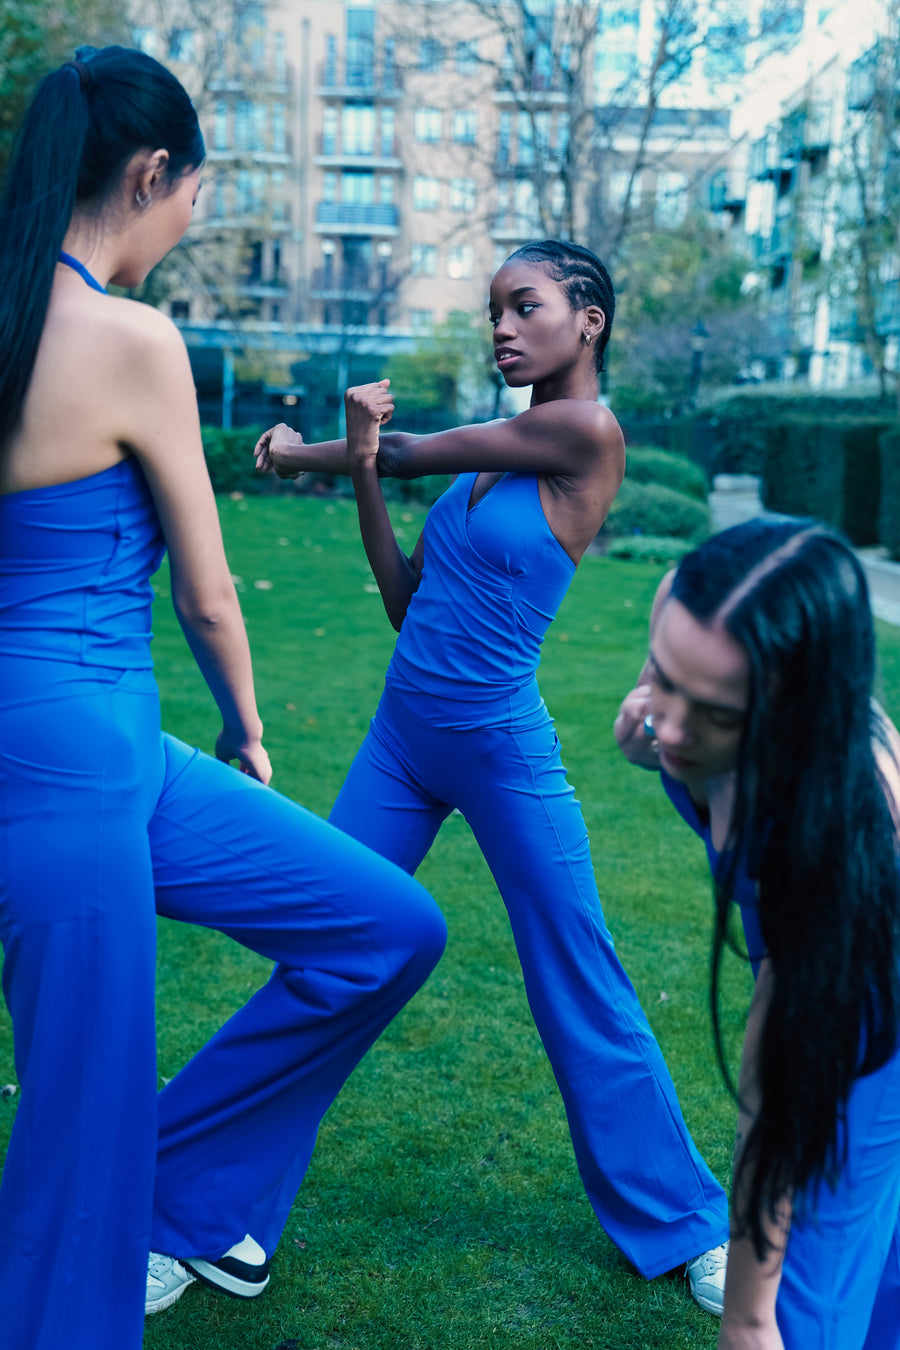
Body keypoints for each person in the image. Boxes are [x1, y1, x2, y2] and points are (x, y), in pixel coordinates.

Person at [0, 45, 447, 1350]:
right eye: (195, 189)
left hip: (111, 756)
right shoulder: (134, 340)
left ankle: (182, 1192)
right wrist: (249, 729)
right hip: (71, 771)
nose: (194, 215)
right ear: (150, 173)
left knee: (386, 926)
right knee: (78, 1147)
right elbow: (208, 593)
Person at [254, 240, 731, 1312]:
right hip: (400, 737)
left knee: (578, 974)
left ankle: (690, 1223)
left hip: (498, 744)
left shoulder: (581, 431)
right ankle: (218, 1215)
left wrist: (295, 455)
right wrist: (363, 469)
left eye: (525, 307)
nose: (502, 328)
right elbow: (404, 597)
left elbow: (410, 445)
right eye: (493, 312)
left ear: (591, 320)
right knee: (326, 952)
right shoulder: (490, 458)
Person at [614, 516, 900, 1348]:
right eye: (667, 678)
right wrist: (651, 712)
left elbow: (775, 1095)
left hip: (870, 1005)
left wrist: (746, 1318)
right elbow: (645, 728)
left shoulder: (834, 844)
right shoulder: (700, 608)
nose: (669, 725)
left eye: (713, 714)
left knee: (807, 1304)